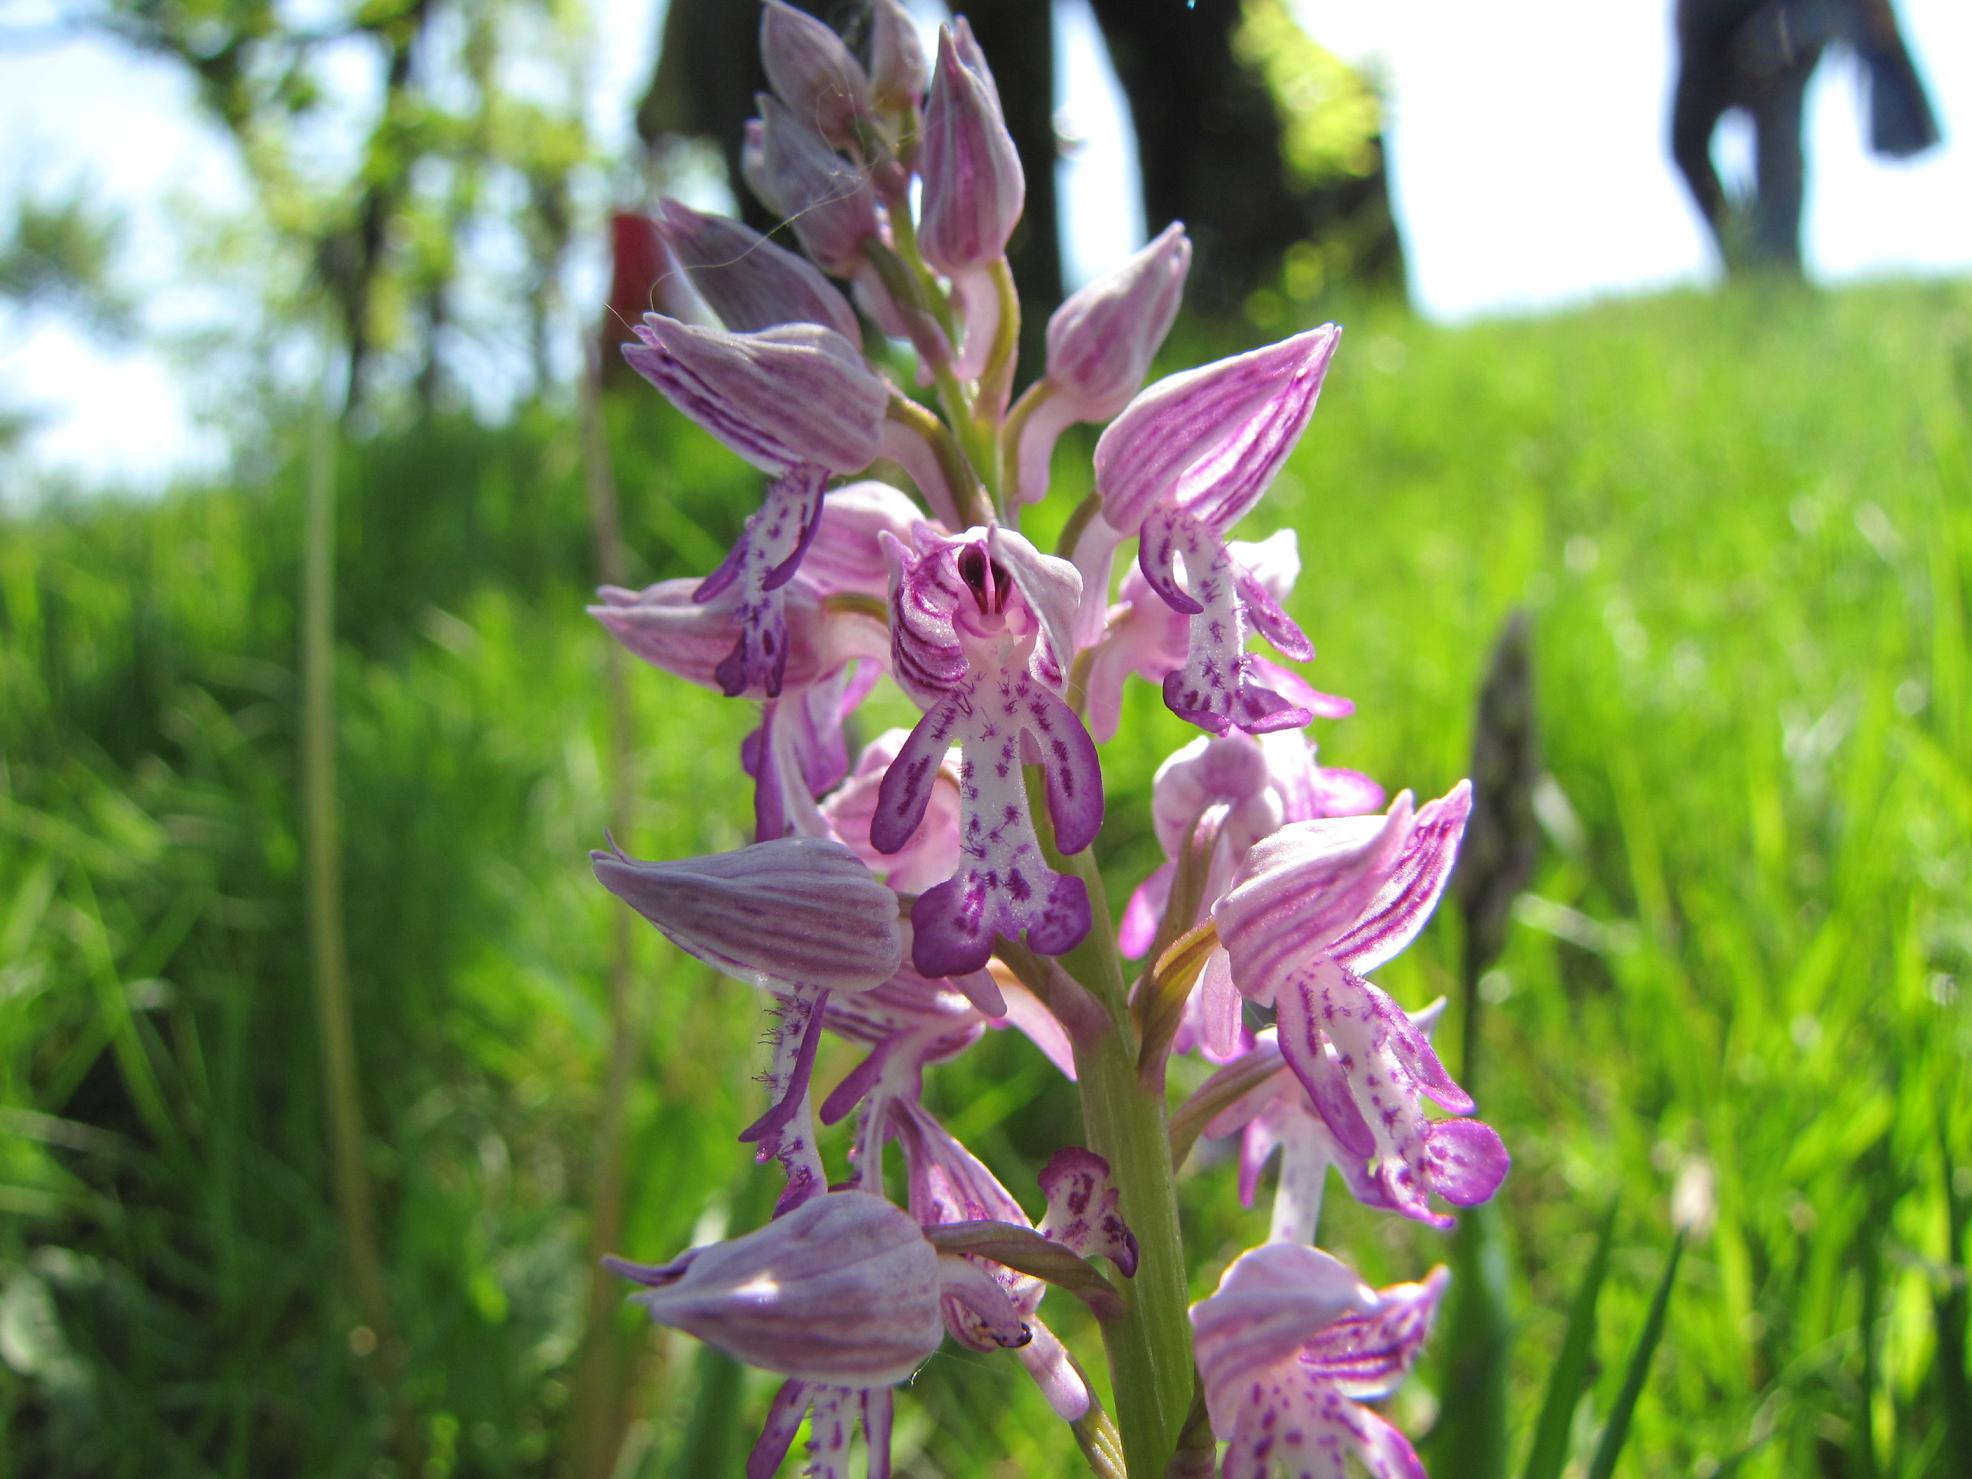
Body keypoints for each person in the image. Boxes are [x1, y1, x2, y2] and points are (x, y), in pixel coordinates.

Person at [1670, 0, 1940, 272]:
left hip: (1784, 15)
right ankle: (1744, 259)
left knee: (1778, 144)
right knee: (1687, 142)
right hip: (1712, 19)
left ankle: (1781, 267)